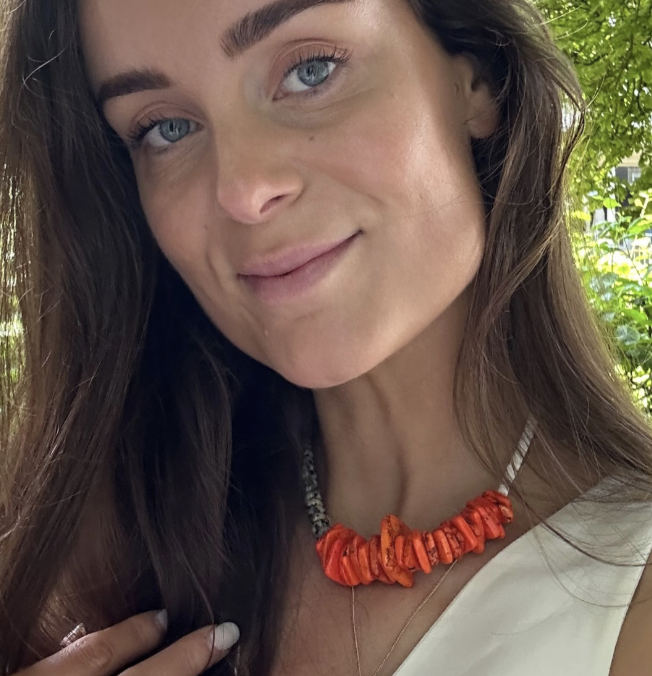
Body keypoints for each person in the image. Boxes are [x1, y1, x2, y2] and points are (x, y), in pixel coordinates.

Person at [1, 0, 651, 674]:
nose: (244, 191)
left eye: (311, 71)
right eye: (166, 128)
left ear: (476, 79)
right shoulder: (73, 582)